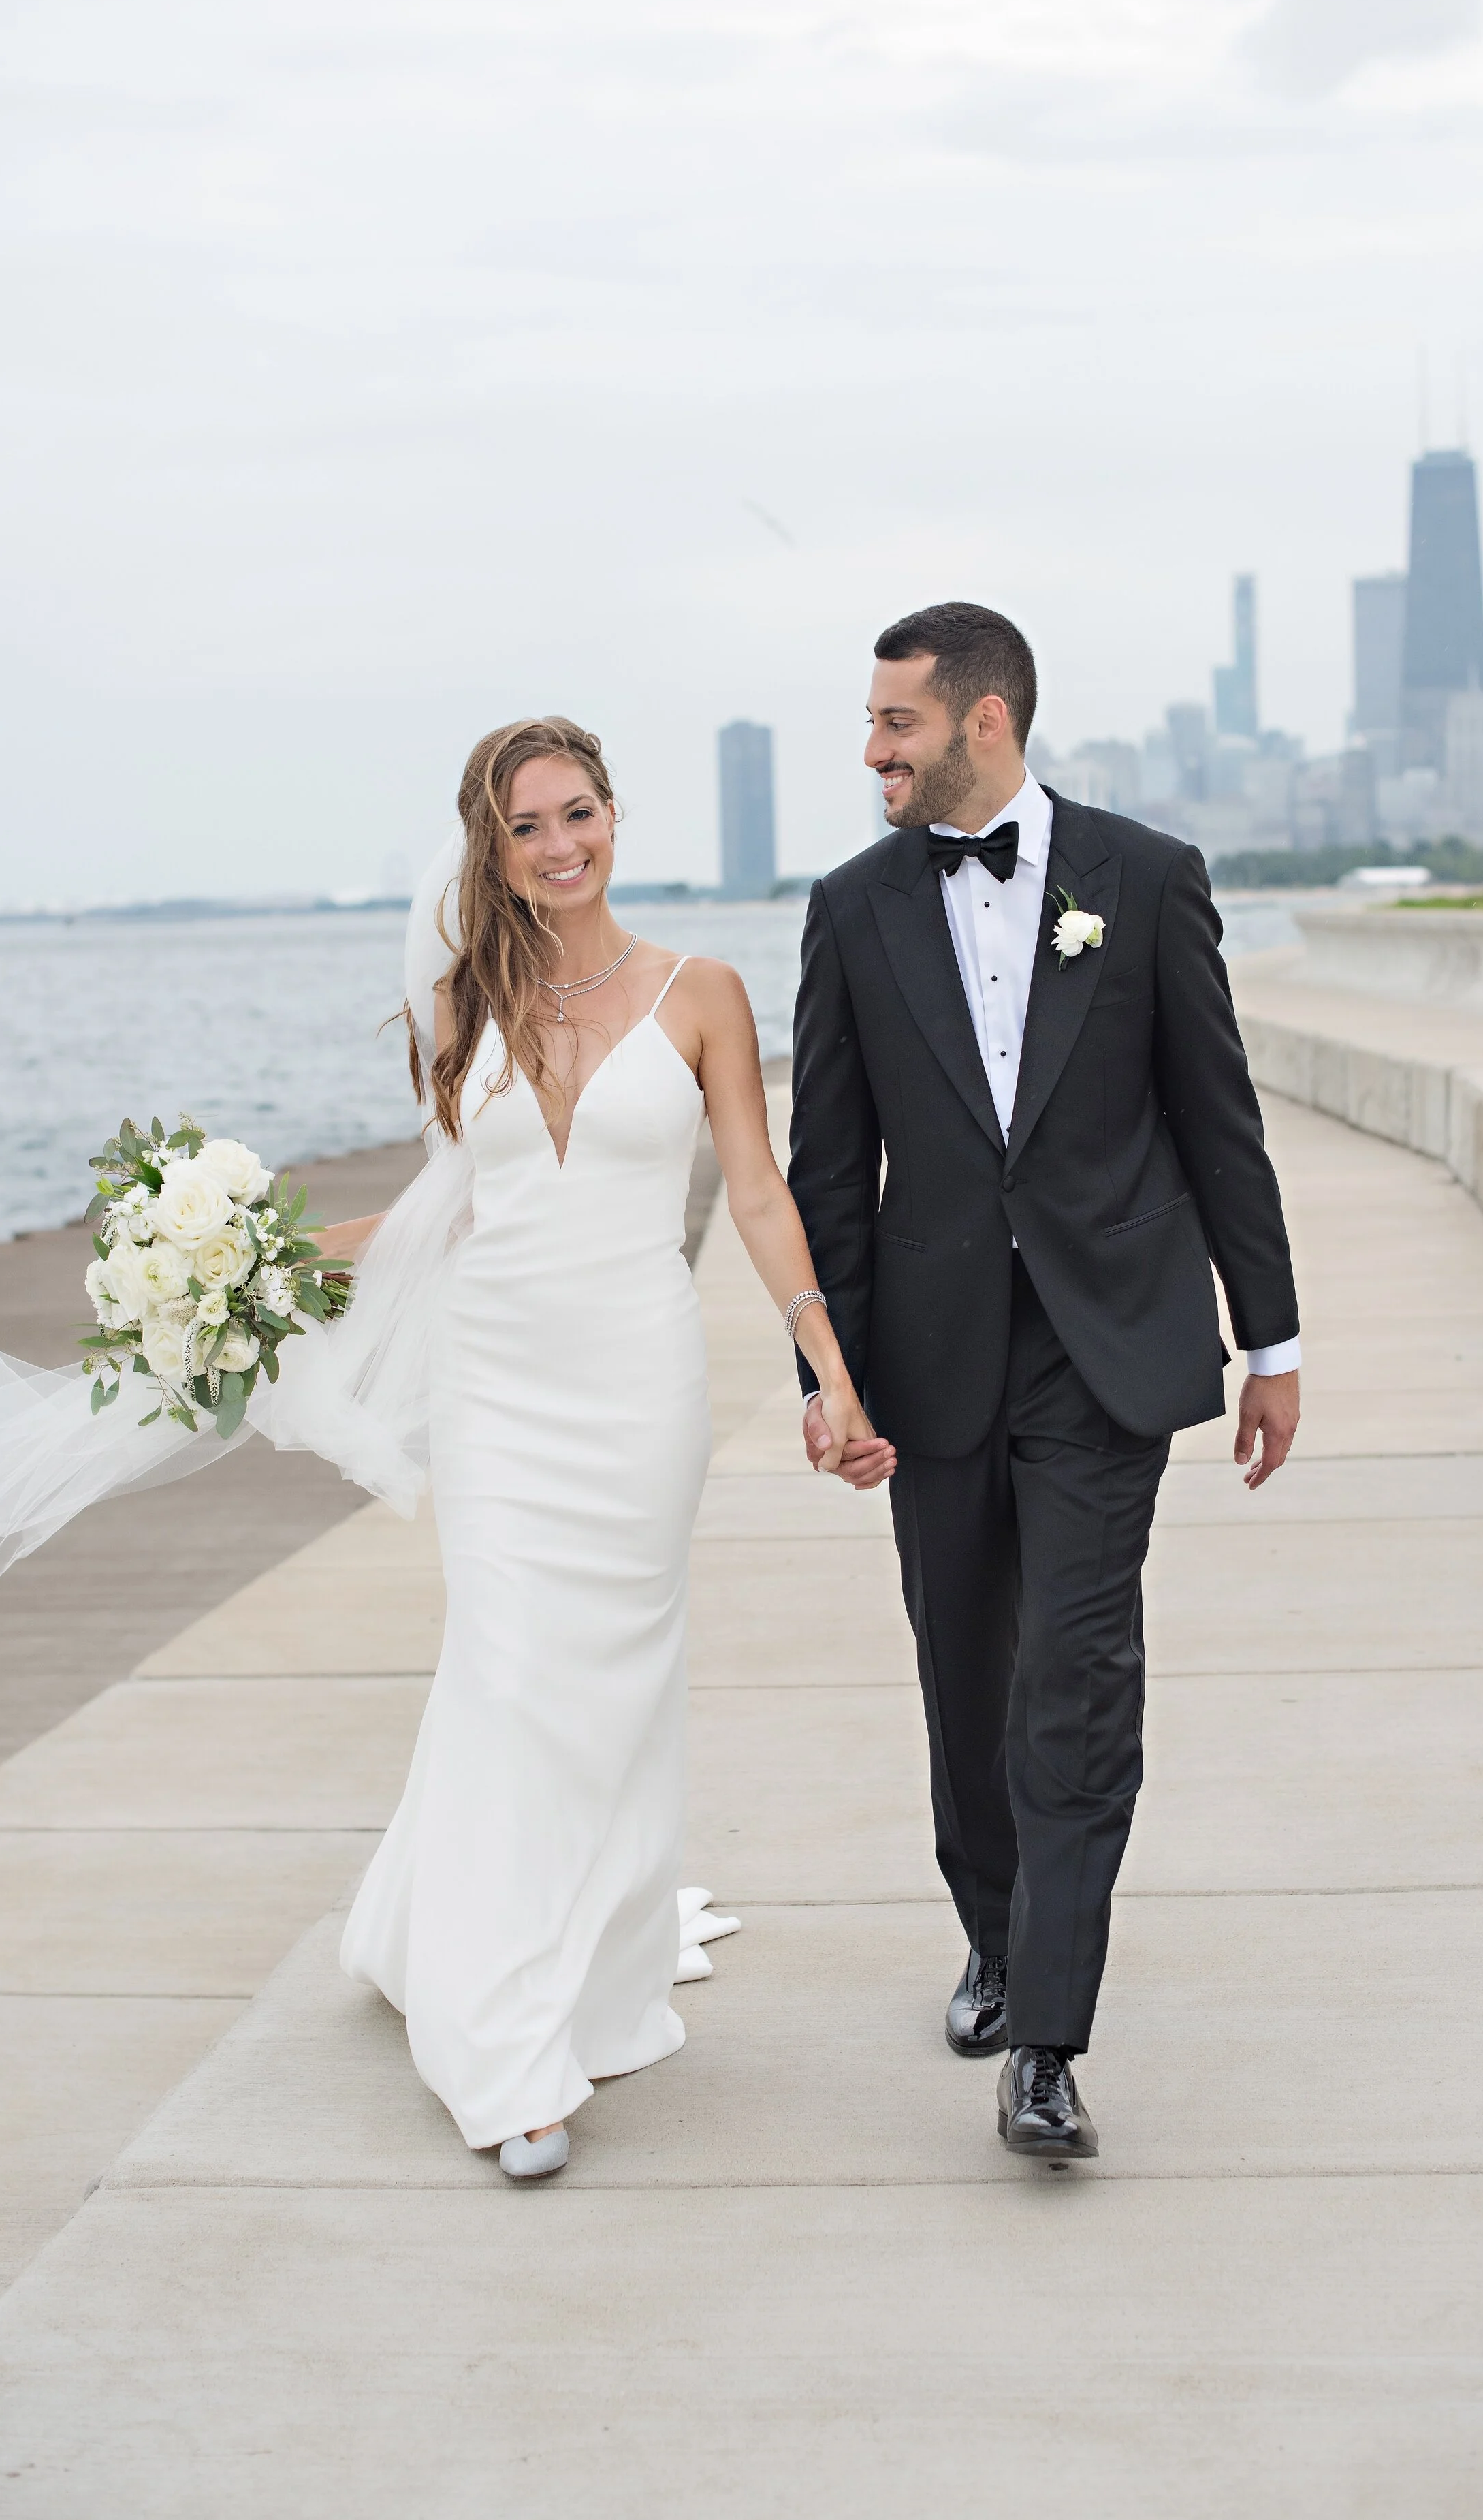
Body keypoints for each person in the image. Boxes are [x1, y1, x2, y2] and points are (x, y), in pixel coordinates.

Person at [321, 718, 893, 2181]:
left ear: (615, 820)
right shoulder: (458, 1003)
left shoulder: (699, 992)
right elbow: (444, 1209)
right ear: (491, 846)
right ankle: (504, 2051)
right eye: (528, 825)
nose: (560, 844)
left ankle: (546, 1947)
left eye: (580, 813)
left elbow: (758, 1199)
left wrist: (828, 1372)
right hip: (496, 1385)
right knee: (510, 1673)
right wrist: (257, 1258)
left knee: (612, 1691)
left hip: (639, 1391)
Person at [788, 604, 1300, 2164]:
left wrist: (1267, 1337)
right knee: (965, 1676)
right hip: (928, 1362)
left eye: (895, 722)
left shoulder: (1143, 879)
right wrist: (825, 1380)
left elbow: (1217, 1120)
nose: (870, 748)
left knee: (1075, 1681)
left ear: (984, 721)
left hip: (1106, 1349)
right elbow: (826, 1166)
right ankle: (995, 1934)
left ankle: (1049, 2043)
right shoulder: (853, 907)